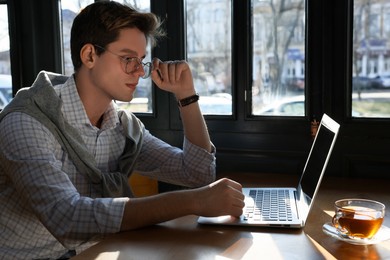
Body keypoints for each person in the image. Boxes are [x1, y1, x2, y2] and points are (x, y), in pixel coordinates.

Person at [0, 1, 244, 259]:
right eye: (129, 59)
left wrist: (186, 96)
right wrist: (193, 202)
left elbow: (199, 174)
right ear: (90, 56)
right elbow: (67, 217)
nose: (140, 72)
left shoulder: (122, 127)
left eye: (141, 61)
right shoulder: (26, 122)